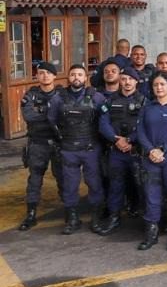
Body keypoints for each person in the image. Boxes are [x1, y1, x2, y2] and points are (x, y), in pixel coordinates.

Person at [47, 64, 106, 235]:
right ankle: (72, 219)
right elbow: (52, 120)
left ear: (85, 78)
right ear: (68, 77)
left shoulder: (97, 97)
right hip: (68, 149)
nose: (76, 78)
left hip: (90, 148)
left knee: (94, 184)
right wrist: (61, 138)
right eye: (73, 74)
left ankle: (96, 218)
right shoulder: (58, 98)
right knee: (69, 185)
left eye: (80, 74)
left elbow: (105, 119)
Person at [135, 72, 167, 251]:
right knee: (151, 195)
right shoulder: (147, 107)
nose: (159, 88)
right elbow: (140, 132)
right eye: (156, 85)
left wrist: (163, 149)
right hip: (150, 158)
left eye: (162, 85)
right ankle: (151, 233)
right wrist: (151, 150)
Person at [97, 67, 146, 235]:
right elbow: (103, 123)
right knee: (115, 185)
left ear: (136, 81)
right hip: (116, 150)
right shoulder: (110, 101)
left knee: (142, 185)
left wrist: (130, 140)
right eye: (124, 79)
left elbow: (145, 125)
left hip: (136, 150)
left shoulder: (144, 101)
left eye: (130, 79)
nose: (127, 82)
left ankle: (146, 220)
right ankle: (114, 217)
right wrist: (116, 139)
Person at [18, 62, 64, 231]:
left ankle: (69, 210)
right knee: (35, 179)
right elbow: (29, 116)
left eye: (48, 73)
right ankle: (31, 214)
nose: (44, 76)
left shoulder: (61, 94)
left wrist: (42, 112)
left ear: (54, 76)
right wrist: (52, 112)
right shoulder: (30, 95)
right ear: (37, 76)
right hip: (38, 143)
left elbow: (66, 115)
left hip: (58, 143)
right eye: (41, 73)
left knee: (63, 177)